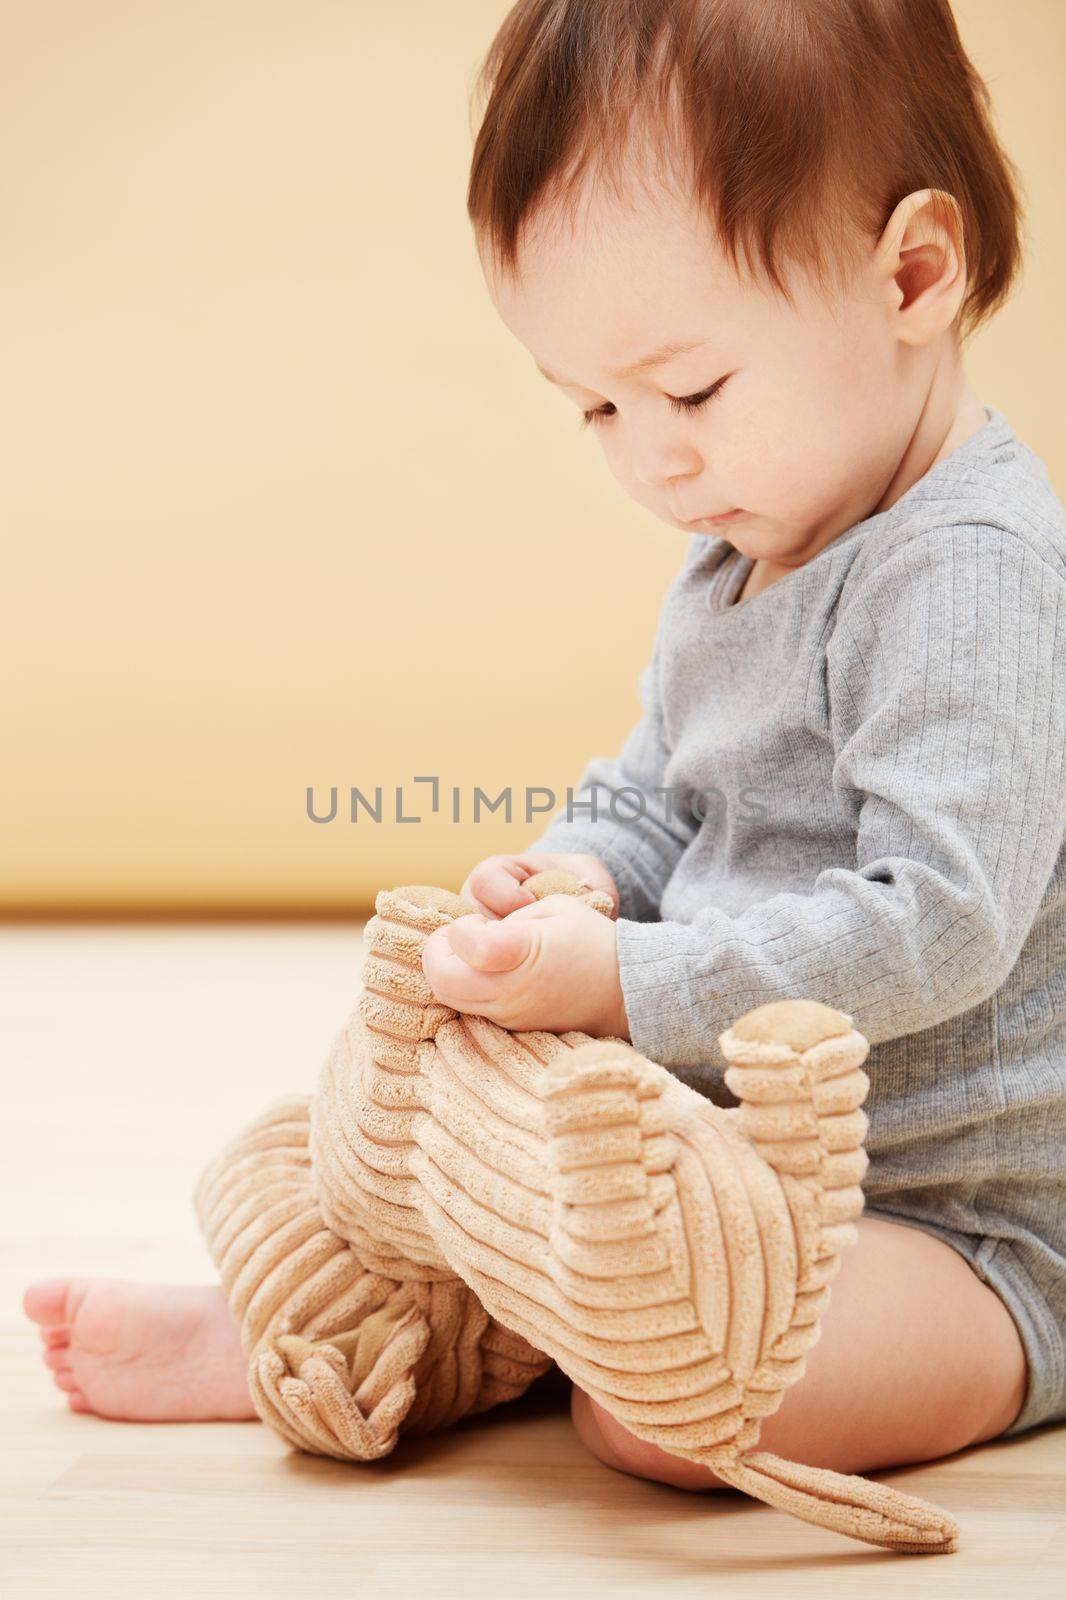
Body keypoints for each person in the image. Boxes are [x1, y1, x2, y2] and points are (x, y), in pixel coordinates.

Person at [25, 0, 1065, 1493]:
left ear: (908, 272)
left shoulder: (966, 579)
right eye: (594, 407)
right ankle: (330, 1324)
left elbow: (941, 927)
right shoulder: (747, 543)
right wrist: (573, 877)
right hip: (704, 1162)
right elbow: (659, 788)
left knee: (666, 1406)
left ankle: (481, 1334)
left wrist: (629, 987)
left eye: (693, 390)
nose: (654, 458)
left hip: (946, 1227)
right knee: (418, 1130)